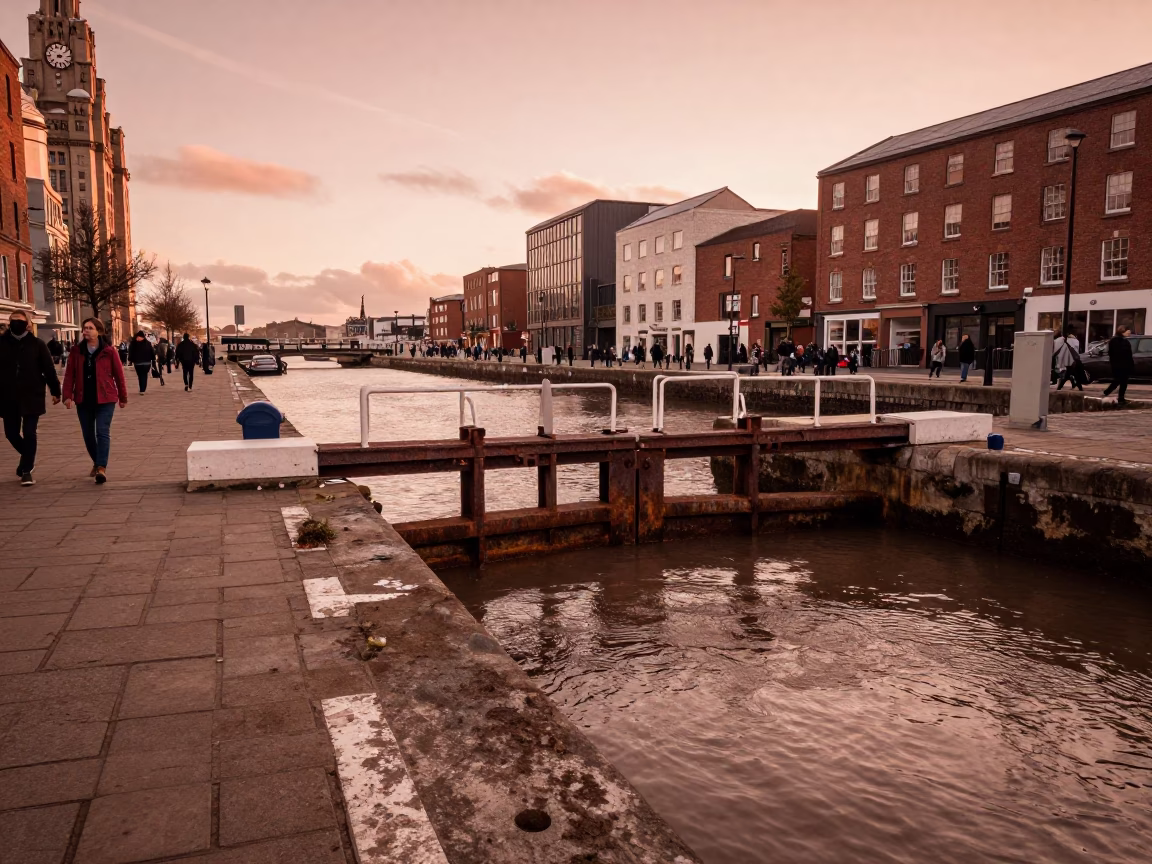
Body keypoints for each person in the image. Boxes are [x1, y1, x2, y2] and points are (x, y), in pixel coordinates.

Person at [62, 317, 127, 484]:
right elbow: (70, 374)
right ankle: (97, 461)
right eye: (85, 328)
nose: (86, 331)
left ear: (98, 331)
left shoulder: (109, 351)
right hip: (83, 399)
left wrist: (123, 397)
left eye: (90, 328)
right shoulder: (76, 351)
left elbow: (119, 375)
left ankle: (101, 468)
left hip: (106, 398)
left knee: (102, 432)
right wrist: (67, 395)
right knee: (88, 434)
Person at [0, 311, 61, 486]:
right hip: (8, 396)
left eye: (19, 321)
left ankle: (26, 470)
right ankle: (28, 457)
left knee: (29, 432)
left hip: (32, 394)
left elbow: (48, 368)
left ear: (27, 324)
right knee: (11, 434)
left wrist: (55, 390)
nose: (15, 324)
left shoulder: (37, 344)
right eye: (12, 321)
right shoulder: (2, 343)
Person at [1102, 327, 1134, 404]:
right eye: (1128, 332)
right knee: (1118, 380)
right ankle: (1108, 392)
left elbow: (1129, 355)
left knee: (1123, 381)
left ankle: (1120, 397)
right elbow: (1113, 353)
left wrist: (1131, 364)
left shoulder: (1125, 341)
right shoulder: (1115, 341)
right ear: (1122, 332)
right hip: (1118, 364)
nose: (1129, 333)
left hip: (1126, 364)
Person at [127, 330, 156, 395]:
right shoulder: (135, 343)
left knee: (143, 375)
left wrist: (153, 360)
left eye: (139, 337)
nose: (137, 338)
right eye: (137, 337)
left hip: (145, 363)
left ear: (142, 337)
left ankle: (142, 389)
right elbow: (130, 352)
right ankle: (142, 388)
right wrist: (130, 360)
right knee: (141, 376)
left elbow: (152, 352)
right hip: (138, 363)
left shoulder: (145, 343)